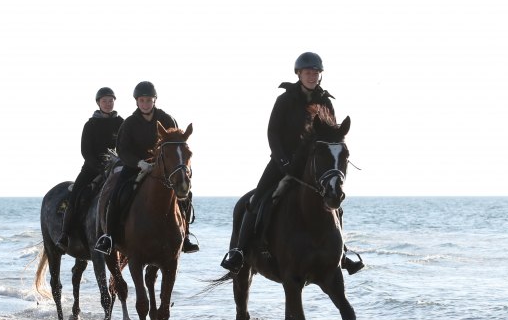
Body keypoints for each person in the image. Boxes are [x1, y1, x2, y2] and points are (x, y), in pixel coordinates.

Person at [220, 51, 363, 274]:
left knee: (334, 203)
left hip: (315, 166)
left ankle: (341, 253)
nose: (312, 76)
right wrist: (283, 161)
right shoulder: (285, 100)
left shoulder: (325, 101)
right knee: (256, 201)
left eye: (316, 73)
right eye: (308, 72)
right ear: (298, 74)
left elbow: (332, 135)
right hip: (282, 162)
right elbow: (273, 133)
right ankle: (240, 251)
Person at [93, 81, 198, 254]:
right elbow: (123, 150)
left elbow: (176, 143)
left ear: (154, 100)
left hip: (164, 169)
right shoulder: (129, 123)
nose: (145, 104)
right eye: (142, 100)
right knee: (117, 193)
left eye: (148, 100)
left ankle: (185, 236)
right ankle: (109, 237)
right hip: (135, 166)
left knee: (185, 193)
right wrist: (139, 163)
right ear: (137, 102)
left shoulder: (166, 118)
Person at [56, 87, 122, 251]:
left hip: (117, 167)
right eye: (104, 101)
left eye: (110, 100)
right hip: (93, 168)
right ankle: (65, 234)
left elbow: (126, 146)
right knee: (76, 194)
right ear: (98, 103)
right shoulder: (90, 124)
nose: (108, 104)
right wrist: (100, 167)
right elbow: (85, 151)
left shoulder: (122, 122)